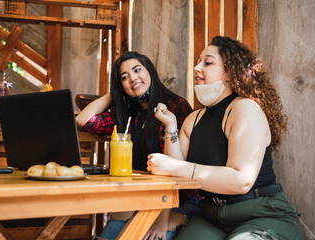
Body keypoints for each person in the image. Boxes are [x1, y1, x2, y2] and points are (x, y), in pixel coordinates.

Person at [148, 36, 304, 239]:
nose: (197, 67)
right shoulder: (193, 119)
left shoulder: (245, 108)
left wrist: (173, 167)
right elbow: (176, 177)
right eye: (198, 61)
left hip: (261, 215)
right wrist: (170, 126)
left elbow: (241, 181)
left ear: (230, 73)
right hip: (213, 217)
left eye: (208, 62)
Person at [76, 51, 194, 240]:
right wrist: (115, 93)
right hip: (140, 197)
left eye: (137, 70)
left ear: (150, 72)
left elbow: (176, 171)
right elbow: (84, 120)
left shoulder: (176, 107)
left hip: (177, 200)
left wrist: (161, 222)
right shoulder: (129, 115)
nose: (132, 78)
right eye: (124, 77)